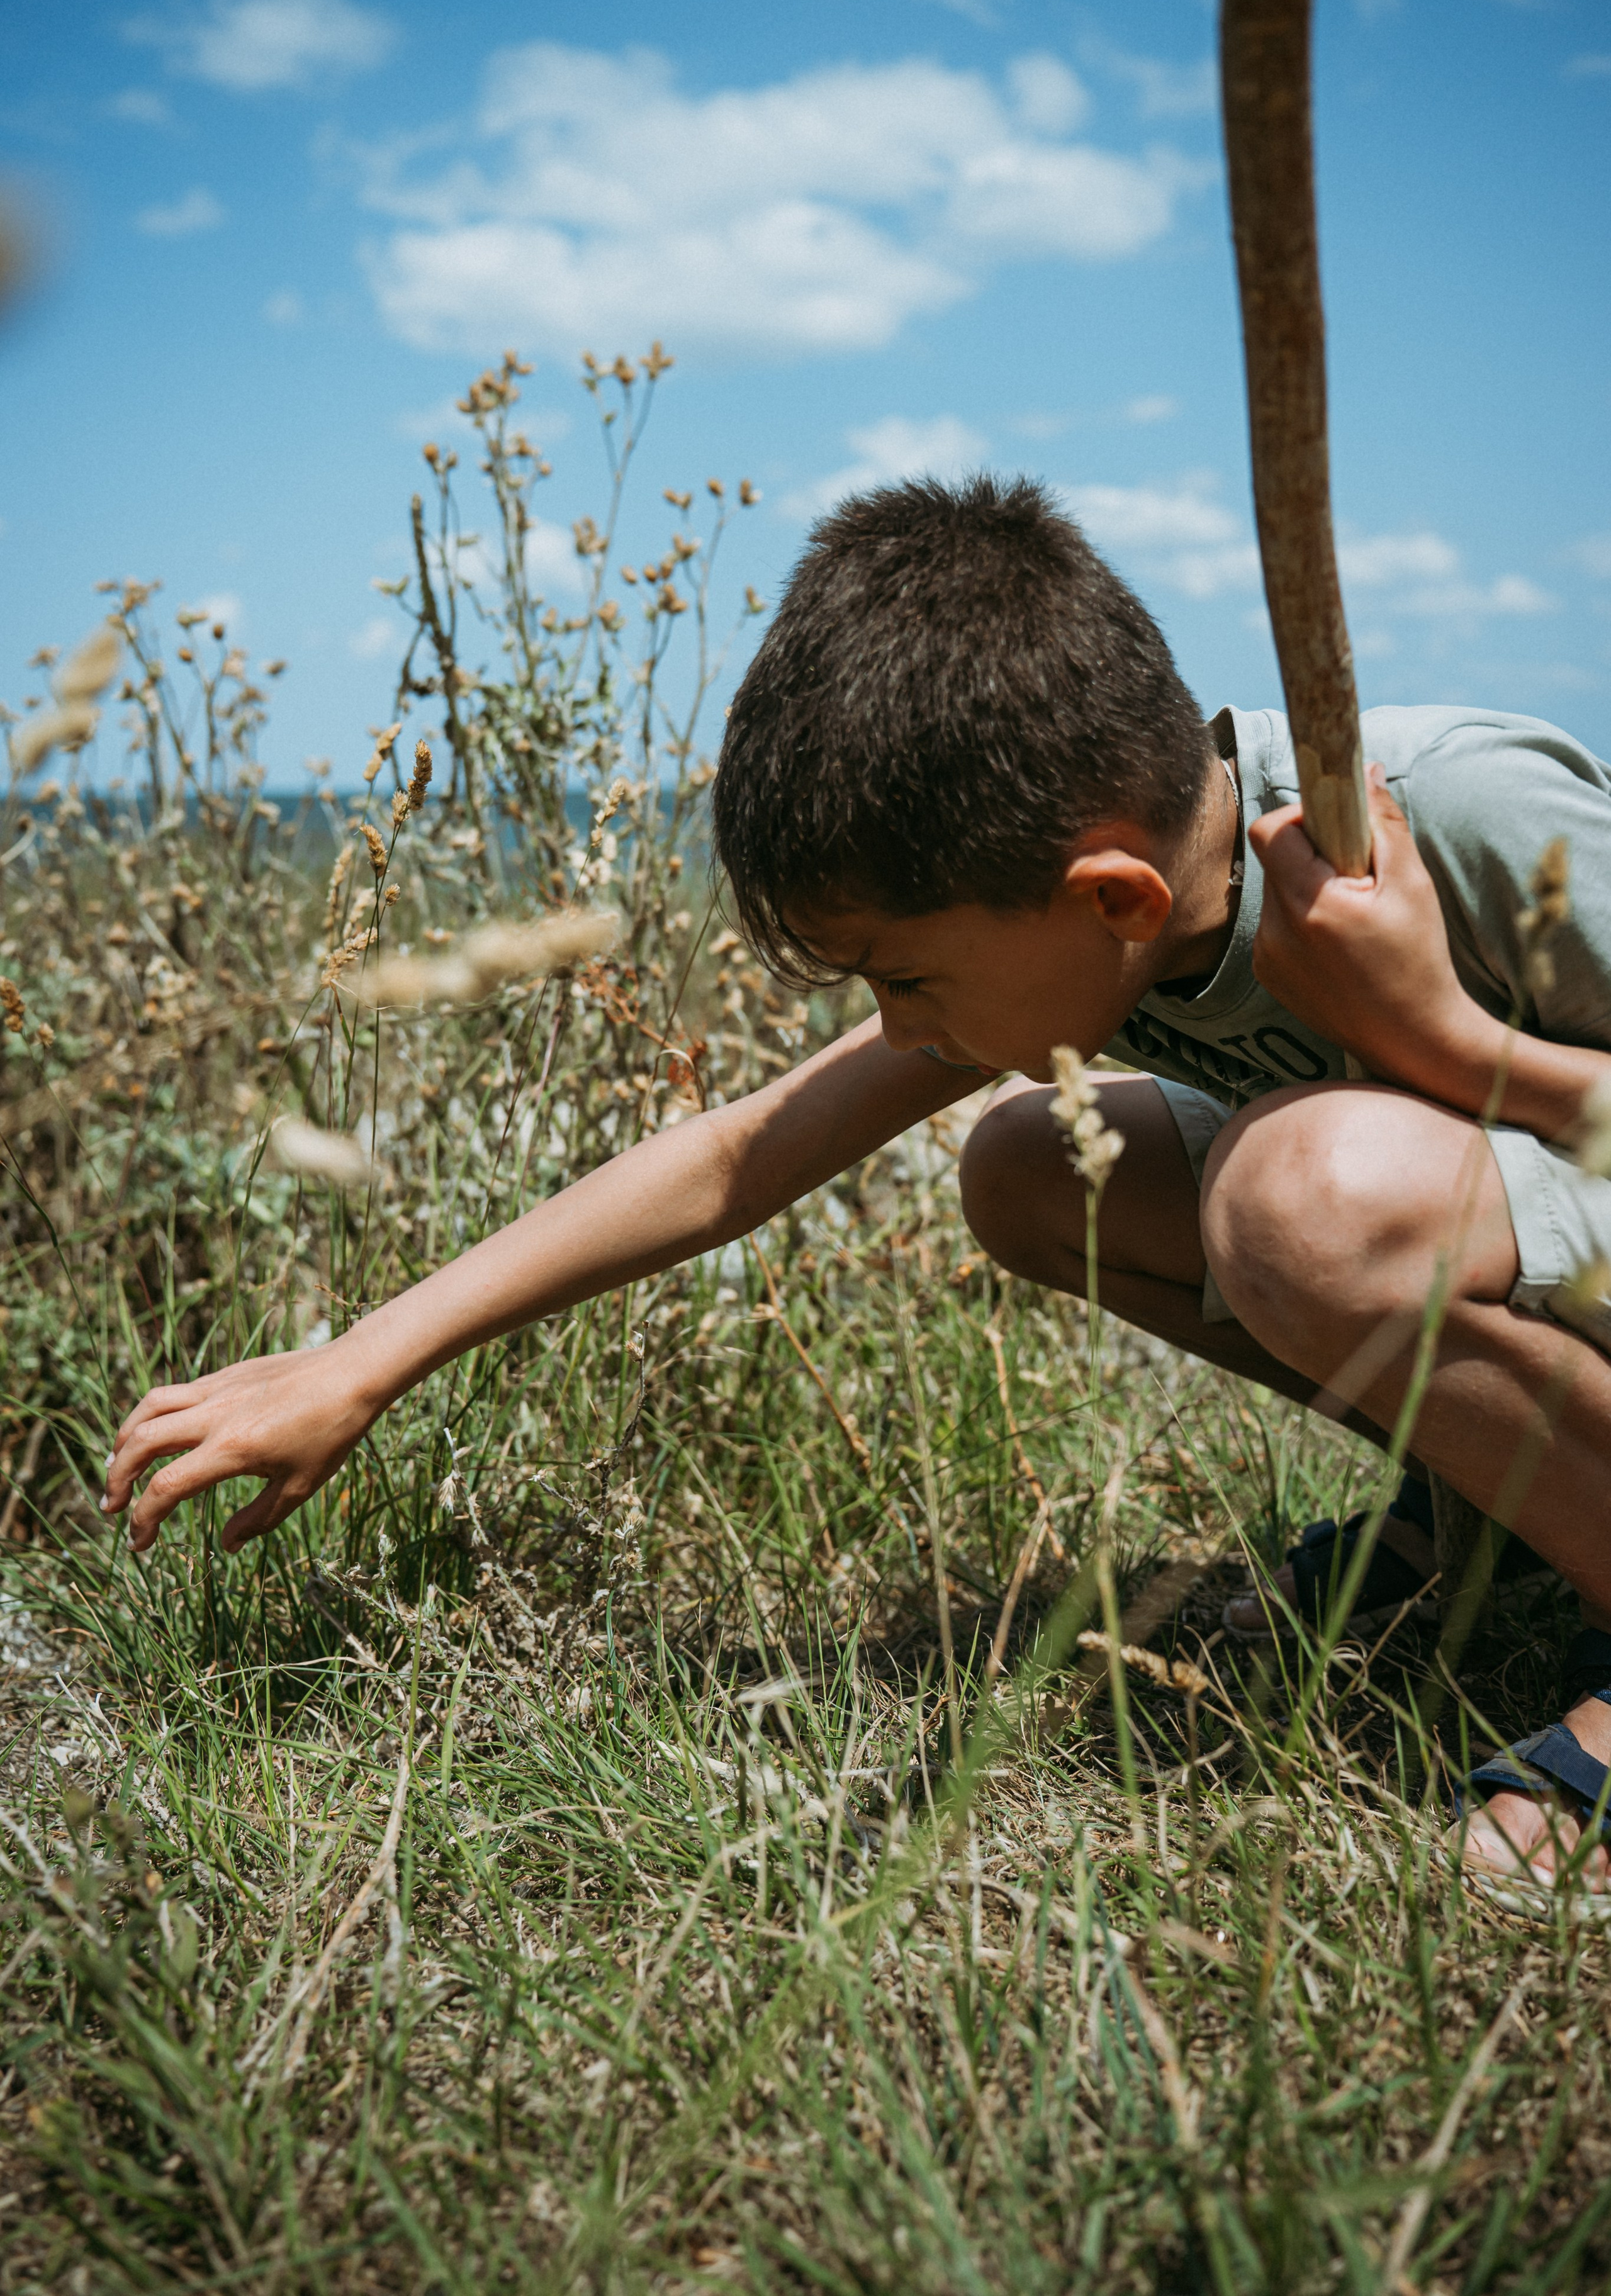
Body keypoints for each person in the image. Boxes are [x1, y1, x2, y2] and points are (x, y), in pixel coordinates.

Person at [105, 477, 1611, 1908]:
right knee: (1029, 1170)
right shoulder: (1116, 915)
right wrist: (364, 1360)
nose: (896, 1029)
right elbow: (740, 1156)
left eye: (904, 978)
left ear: (1110, 898)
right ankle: (1494, 1505)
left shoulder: (1462, 814)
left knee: (1297, 1198)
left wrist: (1452, 1044)